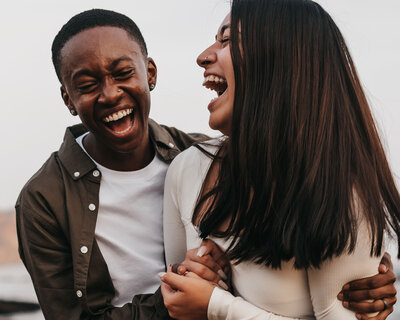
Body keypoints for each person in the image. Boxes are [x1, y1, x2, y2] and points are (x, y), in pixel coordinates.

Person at [15, 6, 395, 320]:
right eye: (87, 85)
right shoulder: (45, 198)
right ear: (68, 99)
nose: (110, 94)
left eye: (122, 73)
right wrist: (181, 296)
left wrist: (363, 270)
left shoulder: (191, 156)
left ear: (150, 73)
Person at [160, 0, 400, 319]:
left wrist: (216, 305)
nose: (203, 56)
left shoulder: (340, 191)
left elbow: (204, 305)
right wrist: (188, 280)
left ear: (280, 59)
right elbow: (179, 302)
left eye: (227, 39)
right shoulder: (187, 169)